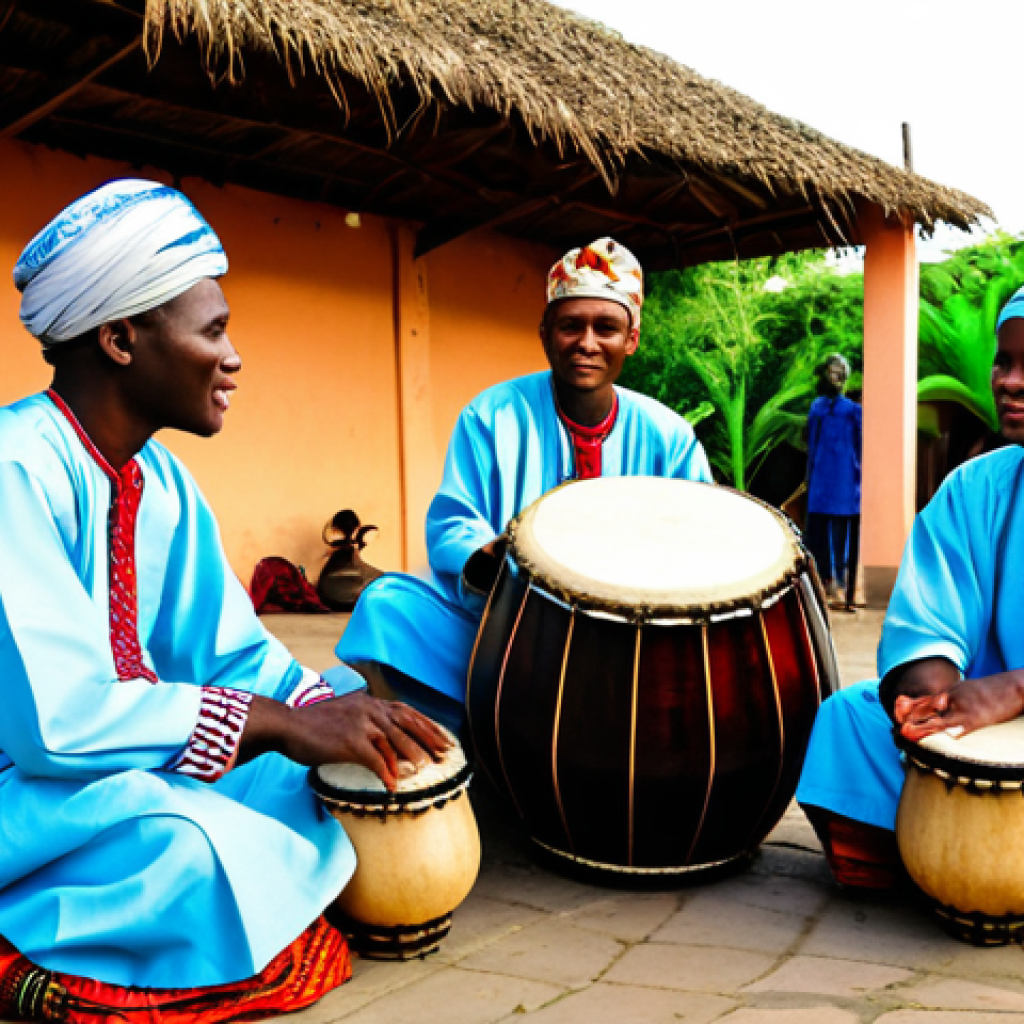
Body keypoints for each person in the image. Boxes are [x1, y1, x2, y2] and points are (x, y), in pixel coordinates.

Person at [0, 179, 449, 1022]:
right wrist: (276, 724)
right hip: (25, 784)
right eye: (214, 330)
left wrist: (333, 713)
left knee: (306, 788)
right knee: (190, 849)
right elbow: (54, 723)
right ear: (121, 338)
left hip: (131, 766)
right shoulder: (13, 469)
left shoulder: (162, 481)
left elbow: (232, 654)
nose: (234, 356)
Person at [336, 238, 713, 732]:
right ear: (544, 333)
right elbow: (453, 522)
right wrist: (497, 556)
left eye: (606, 328)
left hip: (632, 646)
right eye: (570, 326)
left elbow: (706, 538)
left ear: (631, 339)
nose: (587, 343)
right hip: (508, 633)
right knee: (386, 606)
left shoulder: (669, 435)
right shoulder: (491, 415)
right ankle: (464, 743)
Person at [796, 286, 1024, 890]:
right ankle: (936, 861)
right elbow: (929, 614)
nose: (1010, 382)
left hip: (1004, 707)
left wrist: (1016, 689)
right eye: (1005, 361)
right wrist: (927, 697)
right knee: (848, 718)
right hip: (978, 718)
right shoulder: (976, 487)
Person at [804, 353, 861, 612]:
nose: (834, 377)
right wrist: (810, 478)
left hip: (846, 486)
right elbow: (812, 447)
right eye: (831, 372)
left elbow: (860, 449)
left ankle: (843, 587)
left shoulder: (852, 412)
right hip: (820, 485)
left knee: (843, 538)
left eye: (839, 372)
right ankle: (823, 586)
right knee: (817, 537)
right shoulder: (817, 408)